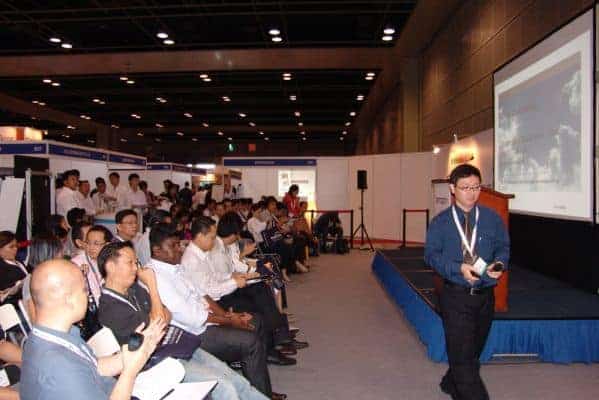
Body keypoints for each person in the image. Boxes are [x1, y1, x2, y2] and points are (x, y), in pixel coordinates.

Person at [145, 225, 284, 399]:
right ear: (157, 250)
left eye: (178, 244)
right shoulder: (156, 276)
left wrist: (227, 315)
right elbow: (193, 318)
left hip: (206, 321)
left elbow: (203, 295)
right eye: (173, 246)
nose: (179, 249)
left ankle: (259, 391)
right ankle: (261, 394)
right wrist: (230, 321)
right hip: (193, 334)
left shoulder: (175, 267)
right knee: (251, 342)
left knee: (256, 321)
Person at [19, 259, 165, 400]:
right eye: (85, 290)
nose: (88, 296)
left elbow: (93, 367)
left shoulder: (55, 334)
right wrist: (130, 372)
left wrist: (134, 354)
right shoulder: (57, 365)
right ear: (69, 299)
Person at [424, 164, 510, 400]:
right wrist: (458, 268)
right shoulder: (441, 222)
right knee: (463, 361)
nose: (472, 193)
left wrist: (499, 264)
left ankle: (450, 382)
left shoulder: (491, 218)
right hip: (455, 296)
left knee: (472, 352)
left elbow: (503, 247)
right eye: (465, 188)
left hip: (485, 296)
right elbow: (431, 256)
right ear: (453, 188)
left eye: (476, 187)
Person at [0, 231, 29, 304]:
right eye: (11, 247)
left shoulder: (19, 261)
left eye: (16, 246)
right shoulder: (2, 268)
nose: (15, 249)